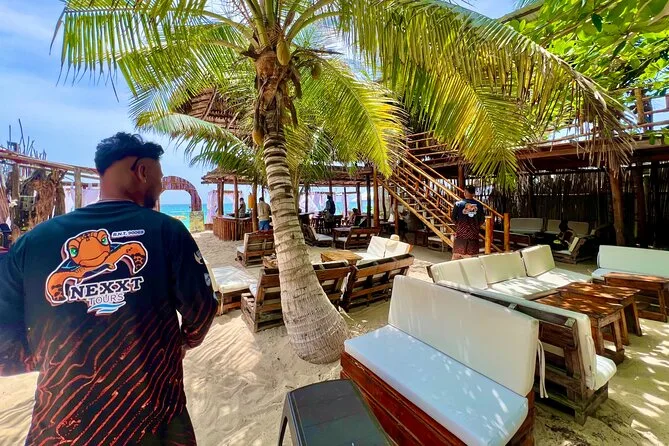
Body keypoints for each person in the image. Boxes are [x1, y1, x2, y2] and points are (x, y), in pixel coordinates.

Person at [0, 133, 217, 445]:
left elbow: (4, 346)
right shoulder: (166, 231)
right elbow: (202, 310)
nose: (159, 188)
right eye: (158, 179)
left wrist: (53, 359)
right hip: (154, 420)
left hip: (62, 428)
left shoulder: (32, 243)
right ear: (142, 171)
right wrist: (183, 343)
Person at [451, 185, 485, 259]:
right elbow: (482, 219)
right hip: (473, 234)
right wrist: (476, 226)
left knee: (456, 255)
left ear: (465, 192)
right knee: (471, 256)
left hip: (461, 233)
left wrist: (459, 225)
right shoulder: (479, 205)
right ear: (473, 193)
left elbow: (453, 218)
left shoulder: (458, 204)